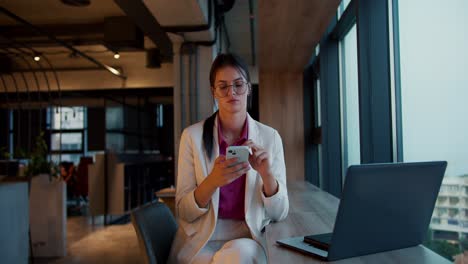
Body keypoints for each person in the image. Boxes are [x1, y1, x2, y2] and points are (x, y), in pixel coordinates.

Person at [168, 53, 289, 264]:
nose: (231, 92)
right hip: (200, 238)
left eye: (238, 84)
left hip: (246, 236)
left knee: (238, 255)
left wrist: (266, 174)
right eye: (222, 86)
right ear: (213, 92)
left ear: (249, 88)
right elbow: (184, 213)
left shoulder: (270, 137)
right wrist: (212, 181)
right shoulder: (192, 136)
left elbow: (279, 213)